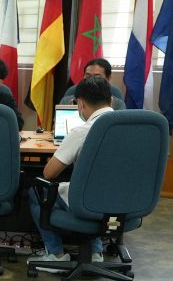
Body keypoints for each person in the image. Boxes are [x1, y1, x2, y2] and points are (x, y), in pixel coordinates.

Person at [27, 75, 113, 269]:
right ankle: (96, 252)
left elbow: (49, 173)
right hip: (125, 200)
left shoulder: (82, 131)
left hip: (90, 202)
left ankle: (56, 254)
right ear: (112, 101)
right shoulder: (132, 128)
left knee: (37, 191)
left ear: (80, 104)